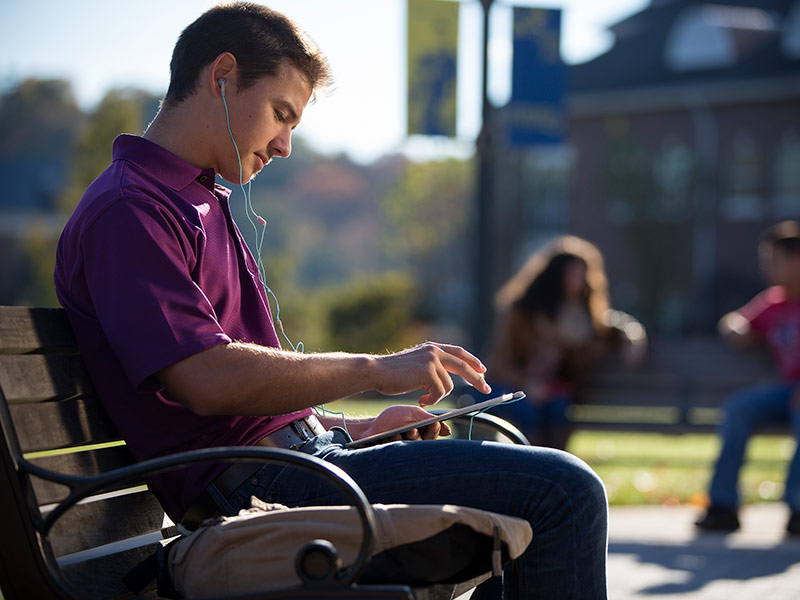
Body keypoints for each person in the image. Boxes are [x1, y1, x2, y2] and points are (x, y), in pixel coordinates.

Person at [53, 4, 608, 598]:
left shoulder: (196, 198)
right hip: (259, 491)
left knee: (540, 501)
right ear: (222, 77)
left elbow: (247, 414)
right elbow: (206, 381)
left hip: (293, 465)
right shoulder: (131, 210)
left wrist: (361, 427)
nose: (286, 145)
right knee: (564, 492)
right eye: (280, 114)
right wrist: (377, 369)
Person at [481, 235, 647, 449]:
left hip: (553, 391)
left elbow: (616, 323)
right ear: (554, 276)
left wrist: (632, 340)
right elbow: (497, 364)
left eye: (583, 273)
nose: (580, 280)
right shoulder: (522, 311)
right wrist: (527, 384)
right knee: (529, 409)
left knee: (559, 406)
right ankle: (532, 466)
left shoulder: (584, 316)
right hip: (513, 387)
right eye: (573, 273)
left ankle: (557, 466)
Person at [695, 221, 800, 535]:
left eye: (774, 260)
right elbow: (735, 322)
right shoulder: (773, 302)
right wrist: (736, 327)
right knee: (739, 408)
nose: (766, 268)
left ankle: (798, 507)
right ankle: (723, 506)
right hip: (785, 392)